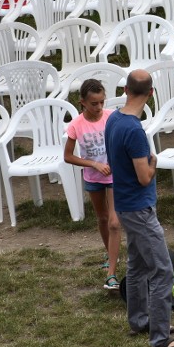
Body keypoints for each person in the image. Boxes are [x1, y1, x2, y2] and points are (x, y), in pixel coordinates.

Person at [105, 69, 174, 347]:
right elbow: (144, 176)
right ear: (151, 93)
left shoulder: (114, 119)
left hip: (125, 205)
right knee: (163, 270)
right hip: (139, 207)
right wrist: (154, 162)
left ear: (126, 90)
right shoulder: (135, 131)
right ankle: (160, 340)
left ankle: (140, 320)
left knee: (139, 265)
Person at [64, 79, 122, 291]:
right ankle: (111, 254)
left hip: (114, 177)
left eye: (101, 102)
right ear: (83, 103)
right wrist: (93, 164)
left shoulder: (111, 117)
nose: (98, 107)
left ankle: (111, 273)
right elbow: (68, 156)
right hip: (93, 177)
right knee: (103, 218)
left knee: (115, 222)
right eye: (94, 104)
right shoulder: (76, 125)